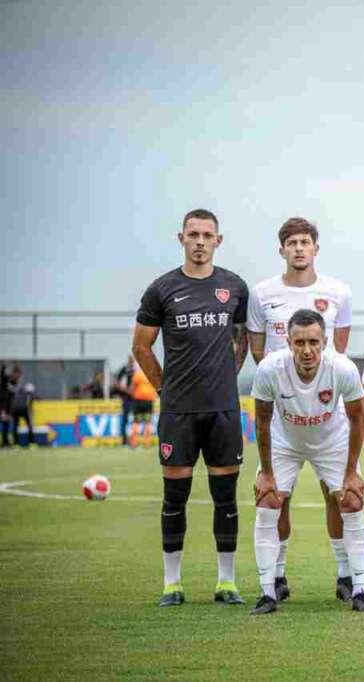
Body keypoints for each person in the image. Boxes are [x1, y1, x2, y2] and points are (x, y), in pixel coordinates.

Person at [131, 208, 249, 607]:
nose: (200, 242)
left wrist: (226, 377)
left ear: (219, 240)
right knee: (174, 496)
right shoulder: (161, 290)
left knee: (225, 497)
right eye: (193, 234)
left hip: (223, 410)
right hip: (178, 411)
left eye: (207, 235)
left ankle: (226, 582)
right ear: (180, 238)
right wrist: (165, 388)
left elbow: (241, 340)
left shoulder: (234, 287)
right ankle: (172, 584)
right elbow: (141, 346)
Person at [247, 217, 356, 604]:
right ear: (282, 249)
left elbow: (337, 349)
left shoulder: (338, 291)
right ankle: (276, 577)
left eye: (305, 242)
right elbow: (258, 350)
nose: (298, 248)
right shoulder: (262, 294)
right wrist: (285, 385)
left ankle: (346, 575)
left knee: (337, 494)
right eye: (291, 242)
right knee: (279, 496)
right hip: (283, 411)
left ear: (315, 248)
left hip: (327, 411)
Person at [249, 309, 364, 615]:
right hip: (284, 441)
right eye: (300, 342)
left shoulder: (342, 368)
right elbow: (262, 422)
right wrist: (266, 472)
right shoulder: (269, 369)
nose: (307, 350)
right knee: (268, 500)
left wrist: (350, 473)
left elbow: (358, 420)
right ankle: (268, 592)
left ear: (325, 341)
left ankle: (359, 589)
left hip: (332, 441)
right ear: (288, 342)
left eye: (314, 342)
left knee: (353, 501)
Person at [129, 364, 157, 448]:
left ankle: (133, 443)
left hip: (138, 401)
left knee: (136, 422)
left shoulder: (137, 375)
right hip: (149, 401)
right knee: (148, 422)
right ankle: (147, 443)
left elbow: (132, 388)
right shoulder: (151, 375)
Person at [113, 356, 135, 446]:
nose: (132, 362)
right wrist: (126, 390)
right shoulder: (124, 369)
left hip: (136, 399)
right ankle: (124, 441)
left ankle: (133, 441)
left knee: (135, 421)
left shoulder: (136, 370)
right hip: (126, 399)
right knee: (125, 421)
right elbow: (116, 383)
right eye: (131, 360)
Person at [9, 369, 34, 448]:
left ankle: (31, 443)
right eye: (16, 374)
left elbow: (31, 396)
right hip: (15, 409)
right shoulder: (11, 382)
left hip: (24, 408)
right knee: (15, 426)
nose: (17, 375)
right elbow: (9, 395)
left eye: (19, 374)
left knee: (30, 426)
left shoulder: (26, 382)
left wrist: (29, 407)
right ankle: (16, 444)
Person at [0, 364, 11, 447]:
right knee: (5, 428)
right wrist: (3, 412)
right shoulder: (3, 391)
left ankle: (5, 442)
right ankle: (4, 443)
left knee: (6, 428)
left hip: (6, 411)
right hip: (4, 411)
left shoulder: (6, 391)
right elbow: (3, 402)